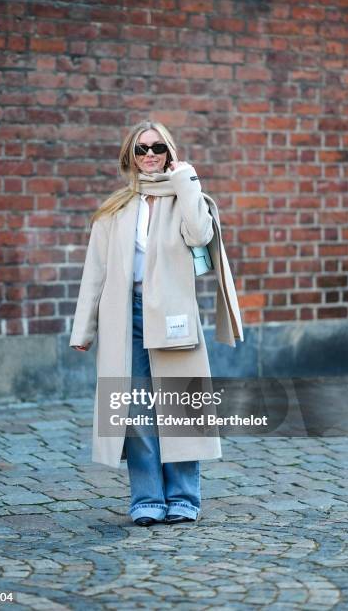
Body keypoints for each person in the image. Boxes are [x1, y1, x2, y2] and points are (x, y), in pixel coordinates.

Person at [70, 120, 243, 527]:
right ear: (130, 156)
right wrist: (84, 331)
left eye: (158, 148)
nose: (150, 155)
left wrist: (186, 179)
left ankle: (184, 497)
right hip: (123, 318)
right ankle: (147, 498)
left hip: (173, 319)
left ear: (170, 152)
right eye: (142, 149)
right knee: (136, 411)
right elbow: (94, 273)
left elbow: (200, 234)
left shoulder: (185, 197)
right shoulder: (113, 209)